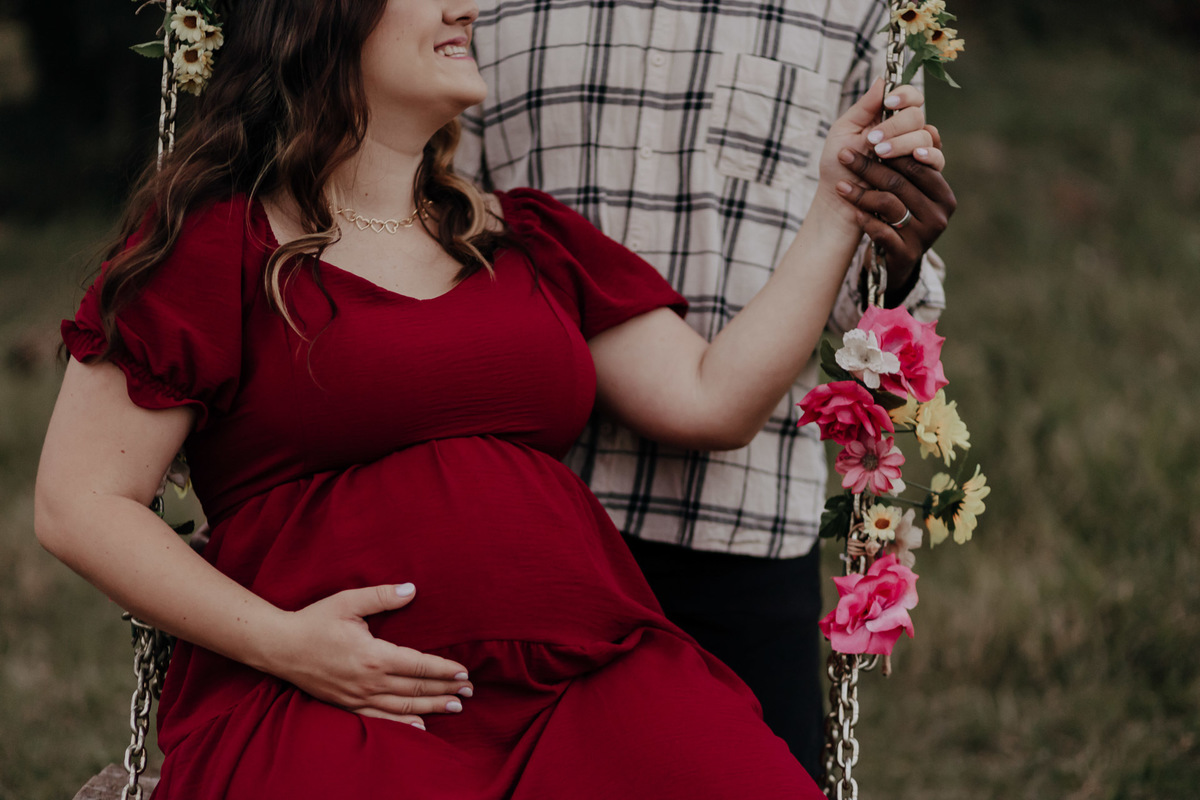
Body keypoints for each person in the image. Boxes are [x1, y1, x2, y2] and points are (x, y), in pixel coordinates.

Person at [34, 0, 951, 797]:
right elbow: (79, 502)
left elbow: (713, 399)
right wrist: (284, 644)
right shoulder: (221, 242)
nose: (468, 7)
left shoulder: (522, 239)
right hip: (342, 694)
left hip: (586, 680)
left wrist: (837, 207)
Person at [455, 0, 954, 774]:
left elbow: (881, 349)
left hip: (740, 537)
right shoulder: (479, 9)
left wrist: (897, 264)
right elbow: (433, 220)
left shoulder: (852, 11)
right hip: (524, 527)